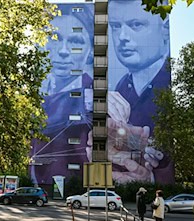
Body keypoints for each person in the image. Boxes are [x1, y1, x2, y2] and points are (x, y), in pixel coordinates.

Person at [107, 0, 174, 184]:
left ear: (165, 29)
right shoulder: (121, 88)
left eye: (136, 25)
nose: (122, 37)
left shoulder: (172, 85)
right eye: (115, 26)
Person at [30, 4, 94, 185]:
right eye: (54, 37)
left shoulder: (95, 97)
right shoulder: (35, 92)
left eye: (75, 41)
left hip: (73, 187)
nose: (63, 51)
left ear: (89, 51)